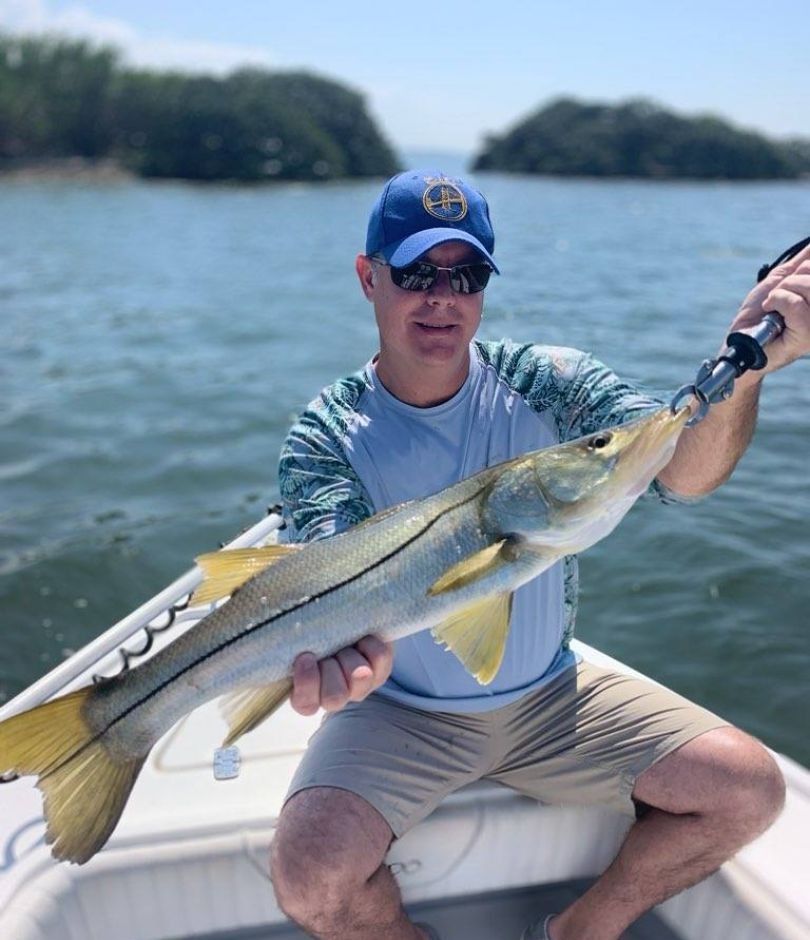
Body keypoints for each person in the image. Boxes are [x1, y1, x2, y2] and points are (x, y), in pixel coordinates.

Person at [268, 170, 809, 940]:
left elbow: (679, 473)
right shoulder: (328, 433)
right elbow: (331, 578)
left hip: (554, 700)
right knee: (310, 877)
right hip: (399, 713)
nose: (441, 296)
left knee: (749, 791)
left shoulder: (551, 383)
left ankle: (578, 933)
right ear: (368, 277)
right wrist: (340, 662)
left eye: (467, 274)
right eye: (417, 271)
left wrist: (748, 366)